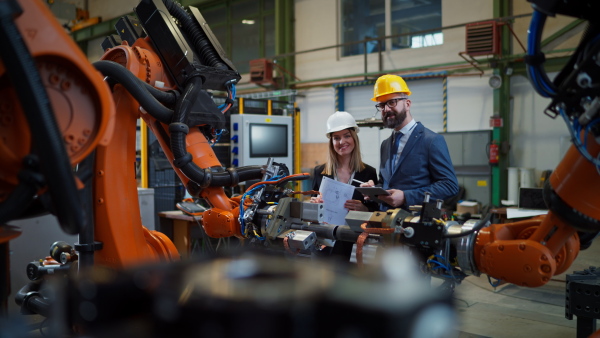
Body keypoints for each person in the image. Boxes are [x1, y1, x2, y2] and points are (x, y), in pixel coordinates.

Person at [361, 74, 458, 210]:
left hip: (416, 224)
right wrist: (375, 190)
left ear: (407, 104)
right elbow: (386, 183)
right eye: (382, 105)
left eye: (392, 102)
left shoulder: (431, 140)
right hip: (387, 223)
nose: (386, 109)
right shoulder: (385, 144)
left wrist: (407, 196)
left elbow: (449, 185)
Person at [310, 111, 379, 212]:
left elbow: (376, 210)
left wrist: (364, 209)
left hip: (356, 227)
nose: (342, 142)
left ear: (354, 138)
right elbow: (313, 211)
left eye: (347, 136)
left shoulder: (369, 173)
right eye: (336, 138)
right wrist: (314, 206)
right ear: (331, 143)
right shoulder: (320, 172)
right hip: (327, 227)